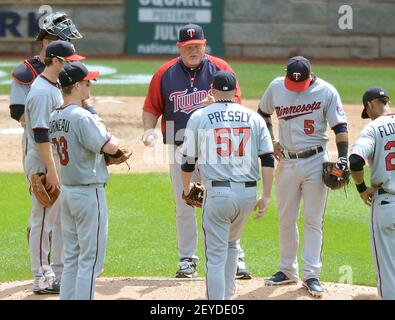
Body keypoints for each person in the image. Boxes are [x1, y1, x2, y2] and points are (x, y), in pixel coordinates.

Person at [142, 23, 252, 279]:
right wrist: (149, 130)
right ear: (180, 48)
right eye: (188, 47)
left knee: (223, 201)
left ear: (204, 45)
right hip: (179, 149)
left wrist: (220, 104)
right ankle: (187, 259)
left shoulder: (221, 69)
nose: (193, 50)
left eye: (197, 46)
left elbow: (237, 105)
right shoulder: (164, 73)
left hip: (216, 150)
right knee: (185, 204)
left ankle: (234, 258)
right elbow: (151, 107)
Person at [258, 56, 349, 297]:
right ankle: (287, 270)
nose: (296, 86)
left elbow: (340, 127)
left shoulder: (327, 91)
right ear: (286, 75)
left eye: (301, 82)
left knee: (312, 219)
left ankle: (311, 275)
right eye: (292, 82)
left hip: (315, 160)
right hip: (286, 161)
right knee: (285, 218)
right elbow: (263, 113)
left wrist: (342, 157)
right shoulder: (277, 86)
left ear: (310, 76)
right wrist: (271, 141)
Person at [180, 71, 274, 299]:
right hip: (248, 194)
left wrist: (186, 191)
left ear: (212, 91)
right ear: (235, 92)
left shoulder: (199, 116)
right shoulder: (254, 118)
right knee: (232, 245)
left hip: (219, 194)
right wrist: (267, 196)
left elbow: (187, 162)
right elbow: (269, 158)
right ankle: (229, 299)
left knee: (215, 255)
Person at [49, 61, 119, 300]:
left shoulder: (55, 116)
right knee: (90, 261)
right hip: (89, 194)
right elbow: (109, 146)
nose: (90, 85)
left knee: (72, 258)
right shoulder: (82, 117)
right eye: (87, 82)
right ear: (77, 86)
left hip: (68, 192)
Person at [24, 40, 85, 294]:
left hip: (53, 162)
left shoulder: (55, 86)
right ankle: (40, 274)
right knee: (42, 220)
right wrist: (51, 170)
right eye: (70, 61)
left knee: (58, 219)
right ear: (57, 61)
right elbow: (41, 135)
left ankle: (56, 271)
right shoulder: (41, 92)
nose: (74, 65)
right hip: (42, 162)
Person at [349, 87, 395, 300]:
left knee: (388, 271)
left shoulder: (373, 128)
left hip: (386, 205)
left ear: (370, 105)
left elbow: (356, 160)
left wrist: (361, 188)